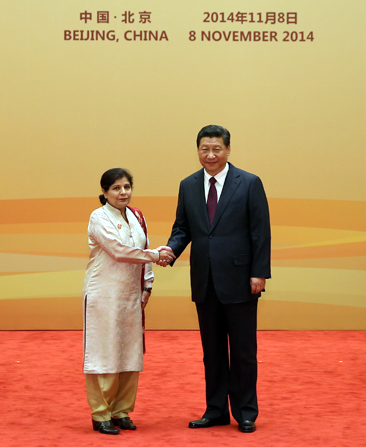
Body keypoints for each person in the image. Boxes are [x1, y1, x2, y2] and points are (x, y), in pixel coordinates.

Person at [165, 125, 271, 433]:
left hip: (241, 279)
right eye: (204, 149)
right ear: (198, 150)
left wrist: (259, 272)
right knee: (211, 352)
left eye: (216, 149)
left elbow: (260, 231)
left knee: (243, 351)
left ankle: (245, 412)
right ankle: (215, 410)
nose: (210, 155)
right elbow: (182, 228)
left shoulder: (249, 183)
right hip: (205, 279)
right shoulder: (188, 185)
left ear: (227, 150)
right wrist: (170, 250)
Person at [84, 168, 175, 435]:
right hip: (104, 293)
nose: (123, 192)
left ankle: (121, 410)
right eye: (116, 188)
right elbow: (119, 251)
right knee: (105, 351)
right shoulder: (98, 217)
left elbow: (143, 249)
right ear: (104, 192)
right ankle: (100, 413)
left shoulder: (137, 216)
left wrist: (147, 284)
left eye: (126, 187)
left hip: (131, 294)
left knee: (130, 351)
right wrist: (156, 254)